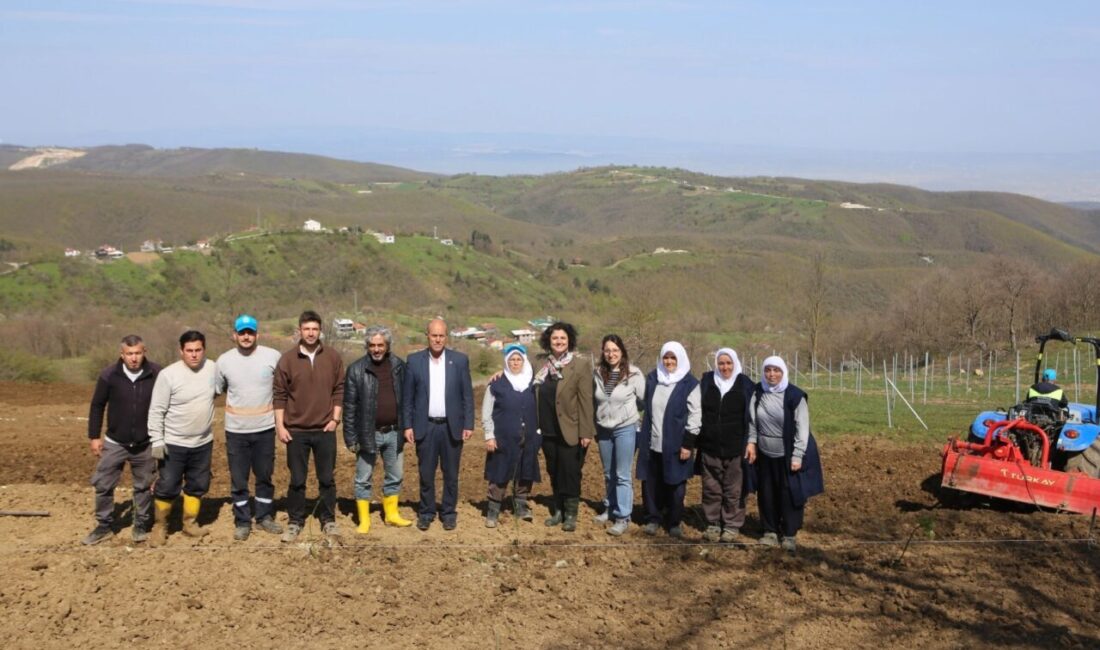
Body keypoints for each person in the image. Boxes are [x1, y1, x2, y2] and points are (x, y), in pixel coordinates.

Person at [83, 335, 162, 545]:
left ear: (144, 352)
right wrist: (94, 436)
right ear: (122, 354)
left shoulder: (157, 373)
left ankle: (141, 523)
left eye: (137, 353)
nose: (134, 358)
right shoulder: (109, 375)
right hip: (115, 442)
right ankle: (104, 525)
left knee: (144, 486)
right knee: (103, 484)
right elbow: (97, 405)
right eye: (129, 354)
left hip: (145, 443)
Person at [274, 310, 345, 542]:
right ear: (300, 331)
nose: (311, 333)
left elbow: (339, 389)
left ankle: (328, 520)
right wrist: (280, 426)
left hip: (325, 429)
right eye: (307, 329)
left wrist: (335, 419)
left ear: (320, 331)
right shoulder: (287, 360)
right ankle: (295, 521)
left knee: (327, 478)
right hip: (296, 430)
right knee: (297, 479)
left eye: (315, 329)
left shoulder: (332, 357)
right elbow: (279, 395)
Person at [214, 314, 284, 541]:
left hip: (265, 429)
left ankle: (264, 517)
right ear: (234, 335)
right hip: (236, 431)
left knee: (264, 476)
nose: (246, 337)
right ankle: (242, 521)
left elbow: (283, 387)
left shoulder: (272, 356)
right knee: (239, 479)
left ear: (257, 335)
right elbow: (218, 388)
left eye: (250, 333)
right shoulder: (224, 361)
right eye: (242, 332)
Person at [746, 355, 824, 553]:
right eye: (768, 370)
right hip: (765, 454)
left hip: (788, 453)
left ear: (783, 372)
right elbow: (752, 421)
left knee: (789, 493)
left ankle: (789, 534)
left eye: (776, 370)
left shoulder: (795, 396)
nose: (772, 374)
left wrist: (797, 455)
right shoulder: (758, 392)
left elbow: (802, 428)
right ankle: (770, 531)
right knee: (767, 493)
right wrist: (752, 442)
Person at [402, 318, 474, 531]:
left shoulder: (459, 361)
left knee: (451, 474)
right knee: (426, 474)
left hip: (452, 427)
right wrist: (407, 425)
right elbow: (408, 398)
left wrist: (468, 424)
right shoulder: (414, 361)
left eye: (441, 335)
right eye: (434, 335)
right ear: (427, 336)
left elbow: (467, 395)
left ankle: (449, 513)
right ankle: (426, 512)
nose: (437, 339)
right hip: (426, 426)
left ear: (446, 337)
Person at [147, 330, 218, 545]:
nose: (194, 355)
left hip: (203, 442)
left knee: (197, 484)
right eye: (189, 350)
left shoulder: (212, 368)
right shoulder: (168, 375)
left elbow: (218, 391)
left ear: (204, 350)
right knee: (168, 485)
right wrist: (157, 440)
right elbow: (156, 410)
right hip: (174, 443)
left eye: (198, 350)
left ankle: (190, 524)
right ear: (181, 351)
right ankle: (160, 526)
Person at [343, 324, 413, 534]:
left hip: (394, 432)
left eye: (380, 345)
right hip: (368, 434)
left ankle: (391, 514)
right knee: (363, 478)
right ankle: (364, 520)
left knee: (395, 475)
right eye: (372, 345)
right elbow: (349, 406)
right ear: (367, 346)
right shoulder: (356, 369)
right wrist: (350, 437)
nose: (376, 349)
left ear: (387, 345)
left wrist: (407, 427)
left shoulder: (399, 367)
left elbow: (408, 400)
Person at [535, 322, 595, 532]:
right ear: (548, 341)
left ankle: (570, 514)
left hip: (571, 429)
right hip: (547, 428)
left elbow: (586, 401)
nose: (559, 341)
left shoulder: (580, 365)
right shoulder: (540, 364)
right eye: (555, 338)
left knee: (570, 472)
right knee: (554, 470)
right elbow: (517, 371)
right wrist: (499, 372)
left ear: (569, 341)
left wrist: (586, 432)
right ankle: (558, 510)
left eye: (562, 338)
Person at [637, 341, 700, 539]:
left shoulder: (690, 384)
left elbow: (695, 415)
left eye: (673, 358)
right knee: (651, 483)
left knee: (676, 485)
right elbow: (644, 405)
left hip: (677, 444)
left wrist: (688, 444)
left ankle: (674, 521)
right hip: (652, 441)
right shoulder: (653, 378)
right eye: (666, 357)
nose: (669, 361)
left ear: (680, 359)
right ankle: (653, 518)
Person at [695, 347, 754, 543]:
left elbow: (752, 416)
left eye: (729, 363)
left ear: (735, 363)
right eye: (721, 363)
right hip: (710, 445)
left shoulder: (745, 384)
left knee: (733, 489)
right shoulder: (707, 382)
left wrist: (751, 442)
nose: (725, 367)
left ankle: (731, 525)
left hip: (736, 447)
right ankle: (713, 523)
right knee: (711, 488)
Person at [481, 344, 539, 527]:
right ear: (506, 362)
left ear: (524, 361)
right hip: (503, 437)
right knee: (500, 471)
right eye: (512, 360)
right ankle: (493, 510)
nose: (515, 363)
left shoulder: (533, 383)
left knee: (525, 470)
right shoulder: (496, 384)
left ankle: (521, 506)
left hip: (528, 436)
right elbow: (486, 412)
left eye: (518, 359)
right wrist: (489, 435)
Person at [593, 334, 645, 537]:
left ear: (622, 351)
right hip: (604, 429)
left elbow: (644, 399)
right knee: (608, 473)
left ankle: (623, 516)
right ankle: (610, 507)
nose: (611, 354)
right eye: (607, 350)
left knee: (623, 474)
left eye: (615, 350)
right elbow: (596, 400)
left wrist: (630, 414)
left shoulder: (634, 374)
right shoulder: (598, 373)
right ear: (603, 352)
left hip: (625, 428)